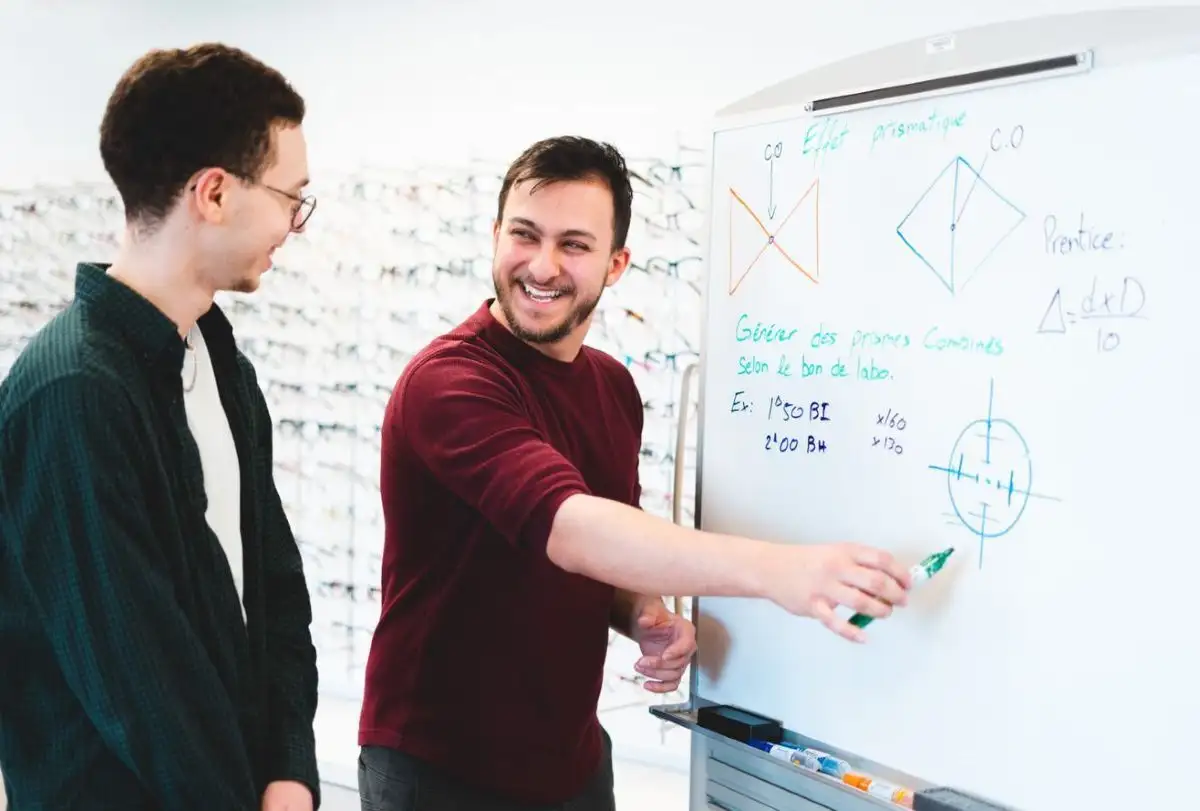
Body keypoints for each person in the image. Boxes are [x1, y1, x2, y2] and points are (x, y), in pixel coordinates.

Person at [357, 135, 913, 810]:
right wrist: (779, 571)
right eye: (524, 235)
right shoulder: (449, 382)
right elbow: (569, 527)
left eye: (574, 244)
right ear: (495, 234)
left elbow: (603, 559)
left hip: (571, 764)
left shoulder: (612, 387)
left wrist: (640, 610)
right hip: (442, 769)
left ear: (616, 262)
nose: (542, 264)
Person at [0, 44, 321, 811]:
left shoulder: (216, 356)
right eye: (291, 198)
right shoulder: (73, 395)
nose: (295, 225)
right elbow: (142, 687)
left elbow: (274, 585)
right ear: (213, 193)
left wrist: (290, 771)